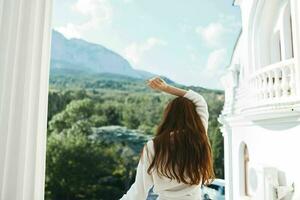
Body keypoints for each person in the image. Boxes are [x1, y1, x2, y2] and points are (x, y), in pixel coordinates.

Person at [120, 77, 215, 200]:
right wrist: (166, 88)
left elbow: (138, 192)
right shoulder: (199, 138)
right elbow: (199, 100)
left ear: (168, 117)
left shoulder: (153, 146)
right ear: (195, 118)